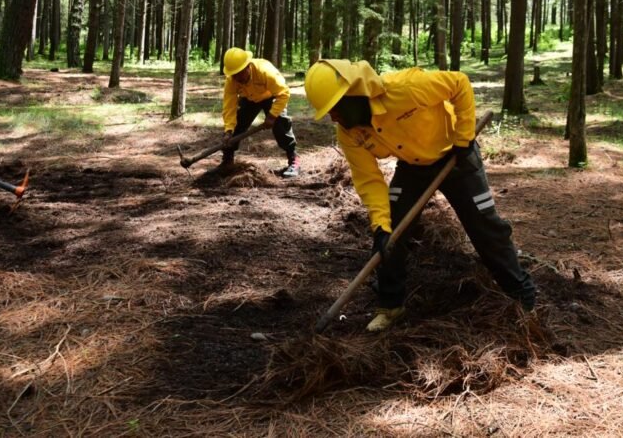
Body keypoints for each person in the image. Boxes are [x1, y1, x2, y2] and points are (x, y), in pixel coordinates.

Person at [303, 59, 536, 332]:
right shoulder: (349, 133)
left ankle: (522, 295)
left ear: (354, 94)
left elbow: (459, 83)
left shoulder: (405, 88)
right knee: (390, 234)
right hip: (413, 166)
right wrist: (380, 225)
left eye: (335, 108)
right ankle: (390, 305)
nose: (334, 118)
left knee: (483, 225)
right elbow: (369, 180)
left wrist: (463, 138)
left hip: (457, 157)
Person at [217, 47, 300, 178]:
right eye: (234, 75)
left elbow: (284, 93)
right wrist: (228, 130)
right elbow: (229, 106)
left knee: (280, 123)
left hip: (271, 96)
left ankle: (293, 159)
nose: (237, 78)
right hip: (249, 98)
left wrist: (272, 116)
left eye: (240, 73)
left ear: (248, 67)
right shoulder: (232, 80)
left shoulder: (265, 71)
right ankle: (227, 160)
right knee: (236, 125)